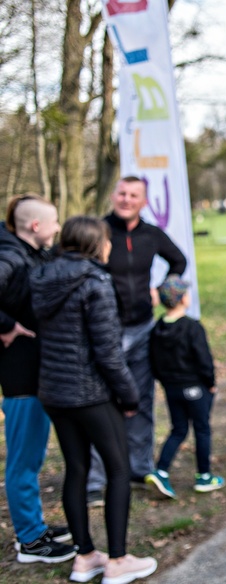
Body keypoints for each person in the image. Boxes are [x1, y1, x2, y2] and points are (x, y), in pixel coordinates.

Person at [30, 216, 157, 584]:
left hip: (54, 392)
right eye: (106, 240)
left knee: (77, 469)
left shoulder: (40, 278)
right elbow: (108, 353)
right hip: (91, 394)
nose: (110, 246)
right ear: (95, 244)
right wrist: (130, 395)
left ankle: (84, 557)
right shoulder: (95, 283)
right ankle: (117, 561)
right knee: (118, 471)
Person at [88, 176, 187, 502]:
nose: (126, 199)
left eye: (133, 195)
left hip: (143, 329)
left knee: (142, 400)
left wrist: (161, 291)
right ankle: (95, 480)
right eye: (121, 193)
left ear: (143, 201)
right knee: (101, 402)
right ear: (113, 196)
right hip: (105, 330)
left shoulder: (150, 234)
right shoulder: (99, 230)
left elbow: (179, 260)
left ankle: (138, 467)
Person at [0, 195, 76, 564]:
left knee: (30, 455)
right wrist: (6, 325)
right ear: (35, 227)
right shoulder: (11, 257)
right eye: (54, 222)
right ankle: (31, 541)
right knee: (23, 460)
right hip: (20, 377)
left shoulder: (25, 252)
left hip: (32, 372)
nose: (58, 228)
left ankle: (35, 529)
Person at [146, 275, 223, 499]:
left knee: (178, 429)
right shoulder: (192, 328)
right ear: (182, 299)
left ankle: (161, 471)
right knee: (201, 429)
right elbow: (204, 360)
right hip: (195, 389)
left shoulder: (157, 329)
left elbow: (153, 361)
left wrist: (165, 381)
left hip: (171, 389)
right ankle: (204, 476)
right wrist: (210, 383)